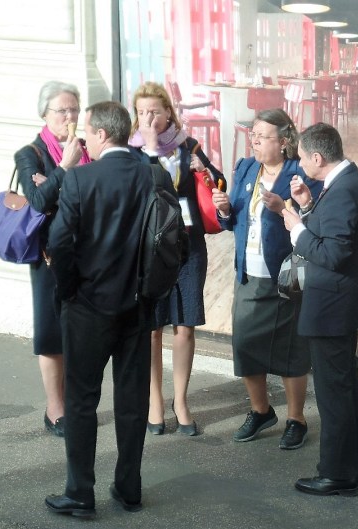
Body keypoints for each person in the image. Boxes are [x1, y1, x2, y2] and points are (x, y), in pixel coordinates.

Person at [44, 100, 161, 518]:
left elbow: (60, 242)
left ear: (102, 135)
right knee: (132, 401)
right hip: (138, 304)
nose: (84, 139)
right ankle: (129, 487)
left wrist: (70, 287)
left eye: (87, 131)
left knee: (80, 400)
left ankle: (80, 492)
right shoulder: (152, 174)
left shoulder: (79, 181)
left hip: (88, 305)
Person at [212, 108, 322, 450]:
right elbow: (233, 222)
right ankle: (260, 411)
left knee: (291, 351)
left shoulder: (298, 173)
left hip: (285, 274)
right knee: (245, 344)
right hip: (250, 272)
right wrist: (225, 210)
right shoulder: (246, 167)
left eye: (262, 137)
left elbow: (313, 218)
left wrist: (283, 208)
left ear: (284, 141)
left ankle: (296, 419)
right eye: (253, 136)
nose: (255, 141)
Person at [281, 123, 358, 496]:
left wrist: (296, 229)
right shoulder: (350, 183)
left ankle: (337, 475)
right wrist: (308, 206)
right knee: (344, 388)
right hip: (340, 303)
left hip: (332, 306)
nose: (301, 163)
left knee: (334, 393)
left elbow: (334, 253)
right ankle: (351, 468)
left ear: (317, 158)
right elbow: (339, 234)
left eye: (303, 157)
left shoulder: (344, 192)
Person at [129, 82, 224, 437]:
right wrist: (151, 151)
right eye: (141, 112)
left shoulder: (188, 145)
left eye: (154, 111)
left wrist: (206, 171)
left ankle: (181, 401)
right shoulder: (133, 150)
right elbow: (142, 191)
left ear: (168, 112)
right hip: (150, 246)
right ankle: (155, 401)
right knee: (153, 329)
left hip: (186, 242)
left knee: (184, 326)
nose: (147, 118)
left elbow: (218, 183)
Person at [14, 81, 90, 438]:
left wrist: (56, 182)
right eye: (63, 111)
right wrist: (65, 169)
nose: (70, 117)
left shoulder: (89, 147)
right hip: (48, 255)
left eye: (75, 109)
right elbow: (38, 201)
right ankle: (54, 407)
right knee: (51, 331)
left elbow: (94, 195)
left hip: (87, 252)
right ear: (45, 114)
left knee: (80, 331)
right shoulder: (30, 154)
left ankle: (74, 402)